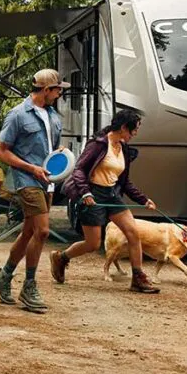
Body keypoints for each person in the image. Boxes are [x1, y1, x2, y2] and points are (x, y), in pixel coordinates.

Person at [49, 110, 160, 293]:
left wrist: (143, 200)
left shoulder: (123, 148)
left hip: (112, 194)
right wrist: (85, 193)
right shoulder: (98, 144)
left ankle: (138, 278)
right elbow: (79, 170)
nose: (135, 134)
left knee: (133, 233)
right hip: (93, 194)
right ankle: (61, 258)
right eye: (134, 130)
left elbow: (124, 181)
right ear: (123, 127)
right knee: (92, 244)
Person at [0, 68, 68, 313]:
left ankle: (4, 276)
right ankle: (29, 285)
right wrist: (31, 168)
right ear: (46, 90)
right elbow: (2, 152)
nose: (60, 93)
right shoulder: (18, 115)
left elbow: (50, 148)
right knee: (42, 231)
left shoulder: (53, 116)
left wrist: (59, 154)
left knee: (28, 233)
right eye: (58, 89)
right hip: (27, 179)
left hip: (47, 180)